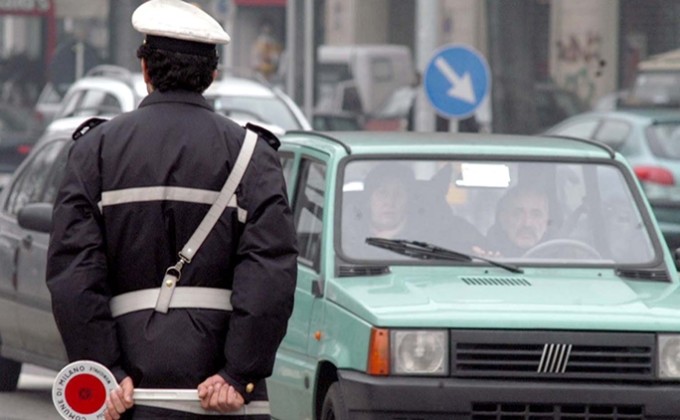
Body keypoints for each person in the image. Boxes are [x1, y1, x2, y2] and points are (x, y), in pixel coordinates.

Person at [46, 1, 297, 419]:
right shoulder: (253, 155)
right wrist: (238, 375)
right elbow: (270, 273)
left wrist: (104, 368)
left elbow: (74, 272)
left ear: (145, 72)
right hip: (220, 399)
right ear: (212, 75)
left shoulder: (96, 151)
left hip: (126, 396)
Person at [343, 162, 485, 258]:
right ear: (368, 199)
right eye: (382, 193)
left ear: (409, 201)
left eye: (399, 194)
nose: (390, 202)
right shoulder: (345, 235)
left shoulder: (435, 238)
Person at [485, 186, 551, 257]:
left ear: (547, 222)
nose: (527, 223)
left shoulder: (561, 256)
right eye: (517, 214)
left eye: (536, 215)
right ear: (503, 220)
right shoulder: (485, 257)